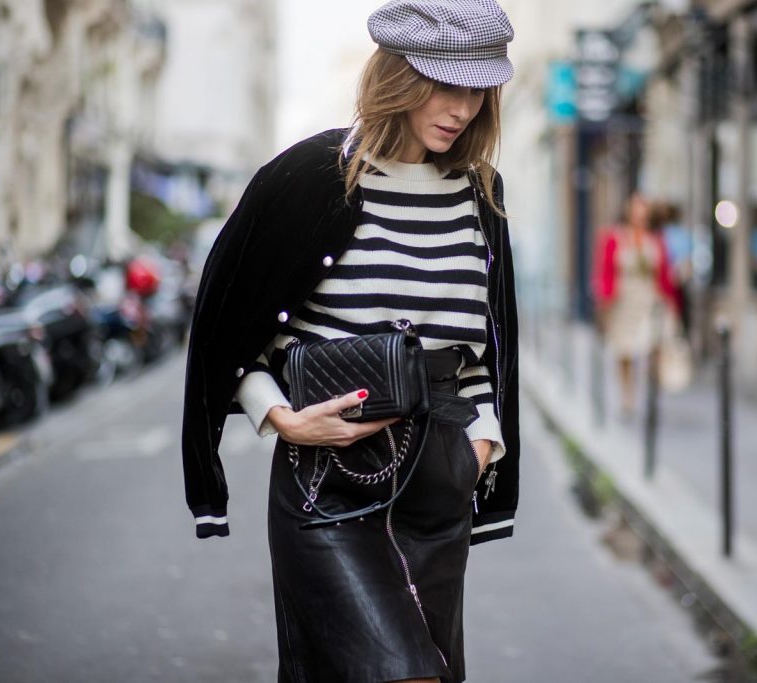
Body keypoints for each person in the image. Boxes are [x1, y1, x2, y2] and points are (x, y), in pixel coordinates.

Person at [180, 2, 520, 682]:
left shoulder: (480, 193)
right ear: (397, 76)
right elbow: (228, 321)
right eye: (443, 84)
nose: (461, 107)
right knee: (404, 672)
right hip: (328, 487)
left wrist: (482, 441)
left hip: (438, 487)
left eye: (476, 87)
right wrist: (280, 416)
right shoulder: (312, 177)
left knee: (430, 667)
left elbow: (484, 345)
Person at [592, 193, 680, 416]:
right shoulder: (615, 237)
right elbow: (605, 271)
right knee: (624, 351)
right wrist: (603, 303)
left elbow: (664, 274)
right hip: (623, 302)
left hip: (649, 300)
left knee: (653, 346)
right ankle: (627, 395)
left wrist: (672, 303)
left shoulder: (656, 240)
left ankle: (650, 394)